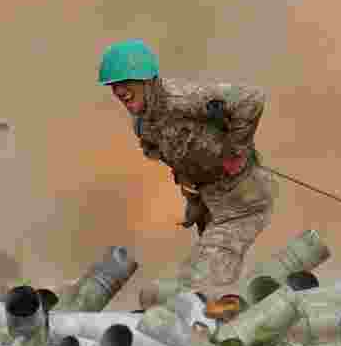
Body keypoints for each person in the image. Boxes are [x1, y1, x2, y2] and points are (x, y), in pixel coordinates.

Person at [97, 38, 276, 310]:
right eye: (114, 86)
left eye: (127, 83)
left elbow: (252, 99)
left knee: (197, 289)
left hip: (243, 202)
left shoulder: (183, 98)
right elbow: (181, 163)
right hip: (214, 207)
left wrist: (234, 152)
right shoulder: (145, 125)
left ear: (147, 80)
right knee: (186, 286)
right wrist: (194, 201)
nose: (119, 91)